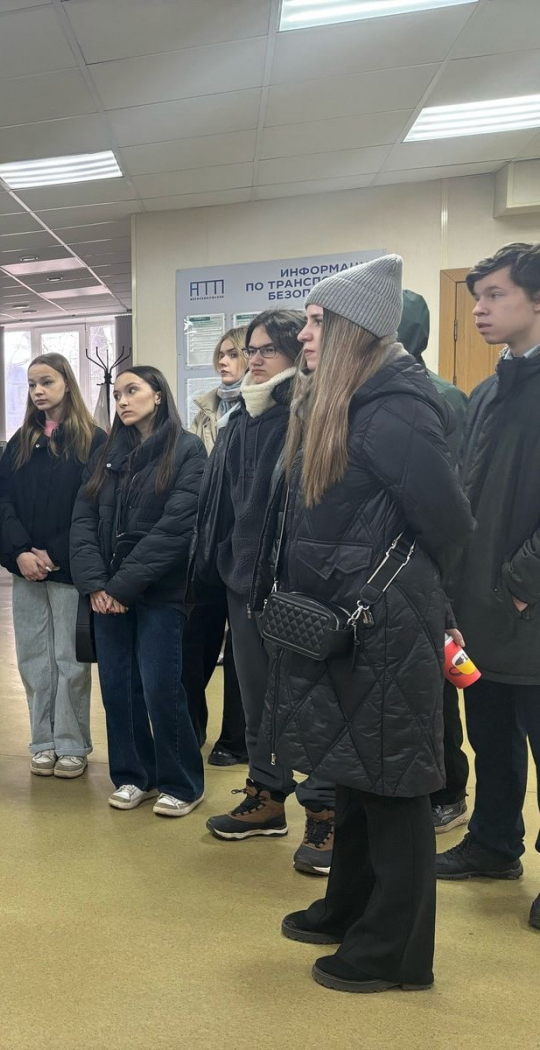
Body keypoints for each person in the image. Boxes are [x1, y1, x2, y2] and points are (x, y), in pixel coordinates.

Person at [255, 255, 472, 993]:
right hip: (342, 617)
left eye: (318, 322)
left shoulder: (396, 407)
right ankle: (348, 906)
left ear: (354, 329)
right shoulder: (346, 400)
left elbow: (448, 522)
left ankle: (393, 952)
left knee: (393, 782)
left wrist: (405, 597)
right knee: (351, 770)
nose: (304, 333)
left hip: (382, 619)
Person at [197, 310, 337, 873]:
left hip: (295, 589)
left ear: (295, 353)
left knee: (308, 703)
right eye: (247, 350)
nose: (253, 360)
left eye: (266, 350)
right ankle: (266, 797)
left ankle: (325, 812)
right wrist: (224, 561)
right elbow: (227, 505)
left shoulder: (311, 414)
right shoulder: (240, 420)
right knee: (256, 700)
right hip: (244, 583)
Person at [436, 242, 540, 931]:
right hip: (479, 606)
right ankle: (494, 844)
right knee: (490, 734)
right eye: (476, 297)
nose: (480, 309)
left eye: (496, 295)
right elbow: (464, 496)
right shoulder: (486, 392)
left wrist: (520, 584)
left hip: (529, 603)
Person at [68, 366, 207, 817]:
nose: (123, 401)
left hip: (159, 592)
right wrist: (95, 584)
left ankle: (181, 783)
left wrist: (122, 586)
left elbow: (176, 528)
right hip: (106, 593)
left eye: (133, 391)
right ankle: (134, 776)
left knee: (160, 686)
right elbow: (82, 520)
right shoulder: (106, 454)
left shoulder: (187, 450)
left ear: (158, 396)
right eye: (118, 394)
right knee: (117, 688)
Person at [0, 353, 105, 779]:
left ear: (67, 384)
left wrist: (55, 553)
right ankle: (43, 741)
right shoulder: (21, 441)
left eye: (47, 382)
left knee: (69, 659)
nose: (38, 391)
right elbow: (0, 499)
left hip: (68, 569)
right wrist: (20, 552)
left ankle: (72, 744)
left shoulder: (93, 441)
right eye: (33, 384)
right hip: (27, 571)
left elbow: (92, 505)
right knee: (33, 657)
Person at [398, 290, 472, 834]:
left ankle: (449, 790)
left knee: (438, 683)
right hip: (385, 568)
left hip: (431, 563)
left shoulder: (443, 397)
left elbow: (455, 492)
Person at [185, 327, 248, 766]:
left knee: (242, 653)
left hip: (244, 546)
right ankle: (189, 729)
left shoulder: (266, 409)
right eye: (220, 354)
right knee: (193, 643)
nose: (224, 362)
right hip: (206, 545)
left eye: (233, 354)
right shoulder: (205, 413)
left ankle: (235, 741)